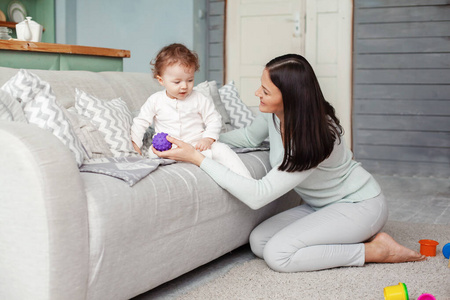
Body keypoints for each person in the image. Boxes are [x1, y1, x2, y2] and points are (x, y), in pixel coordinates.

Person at [152, 53, 426, 272]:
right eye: (262, 85)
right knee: (259, 242)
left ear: (291, 96)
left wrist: (196, 158)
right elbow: (247, 137)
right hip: (320, 205)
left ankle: (376, 251)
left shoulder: (315, 139)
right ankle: (353, 238)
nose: (258, 93)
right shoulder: (275, 115)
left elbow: (258, 195)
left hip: (359, 205)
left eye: (266, 90)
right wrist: (200, 139)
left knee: (278, 255)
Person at [131, 43, 251, 178]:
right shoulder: (155, 100)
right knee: (152, 152)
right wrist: (135, 144)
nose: (184, 86)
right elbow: (140, 122)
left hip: (197, 148)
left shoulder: (199, 98)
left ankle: (247, 180)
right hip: (169, 150)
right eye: (177, 82)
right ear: (161, 80)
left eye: (190, 80)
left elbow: (214, 119)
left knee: (222, 149)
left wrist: (208, 138)